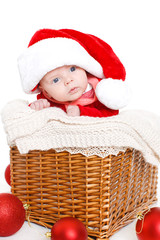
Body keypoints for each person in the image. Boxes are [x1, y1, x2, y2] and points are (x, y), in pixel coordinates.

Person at [18, 28, 131, 117]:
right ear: (46, 92)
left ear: (84, 68)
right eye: (56, 80)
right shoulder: (49, 102)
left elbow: (111, 114)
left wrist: (82, 112)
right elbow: (32, 120)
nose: (68, 80)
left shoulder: (99, 91)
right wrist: (36, 107)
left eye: (72, 69)